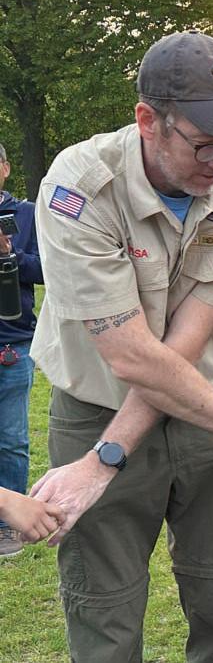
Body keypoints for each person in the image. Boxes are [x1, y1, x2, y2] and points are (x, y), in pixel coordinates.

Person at [27, 30, 213, 662]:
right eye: (206, 144)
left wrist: (107, 459)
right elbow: (130, 356)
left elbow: (183, 345)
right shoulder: (79, 189)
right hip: (98, 405)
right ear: (149, 121)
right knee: (104, 614)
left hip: (211, 402)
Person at [0, 142, 45, 557]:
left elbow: (48, 268)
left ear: (6, 168)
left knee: (11, 438)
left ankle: (9, 525)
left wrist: (10, 254)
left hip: (11, 341)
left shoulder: (27, 214)